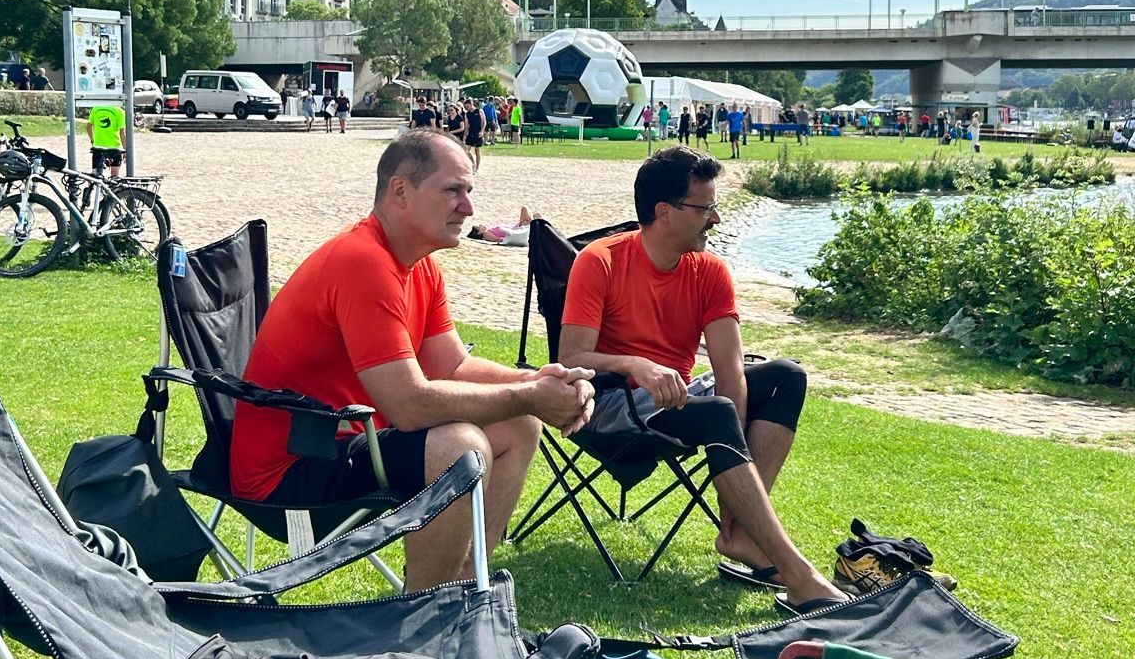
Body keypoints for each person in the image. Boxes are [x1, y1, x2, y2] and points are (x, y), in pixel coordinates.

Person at [230, 131, 595, 589]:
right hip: (290, 470)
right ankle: (421, 613)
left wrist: (539, 382)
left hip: (349, 442)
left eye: (469, 191)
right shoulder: (363, 261)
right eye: (453, 190)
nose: (468, 208)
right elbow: (410, 406)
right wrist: (529, 395)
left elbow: (453, 367)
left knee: (519, 424)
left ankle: (463, 591)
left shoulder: (418, 264)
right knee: (458, 446)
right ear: (401, 191)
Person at [558, 145, 842, 613]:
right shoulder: (600, 260)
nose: (715, 218)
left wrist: (735, 493)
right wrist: (636, 365)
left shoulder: (710, 271)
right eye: (704, 208)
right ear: (664, 212)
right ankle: (800, 577)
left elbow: (730, 372)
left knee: (785, 377)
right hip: (609, 402)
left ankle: (740, 533)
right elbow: (571, 357)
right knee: (715, 412)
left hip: (681, 398)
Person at [86, 101, 125, 175]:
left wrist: (93, 140)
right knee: (114, 177)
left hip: (98, 147)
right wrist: (125, 150)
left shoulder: (96, 108)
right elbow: (122, 133)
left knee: (96, 176)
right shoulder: (119, 111)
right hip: (115, 147)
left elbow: (88, 128)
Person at [469, 206, 535, 246]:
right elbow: (498, 239)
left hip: (518, 227)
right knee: (524, 209)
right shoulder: (486, 234)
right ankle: (534, 225)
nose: (481, 225)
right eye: (479, 227)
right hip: (518, 229)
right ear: (479, 233)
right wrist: (512, 238)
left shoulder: (488, 231)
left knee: (536, 215)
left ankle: (534, 225)